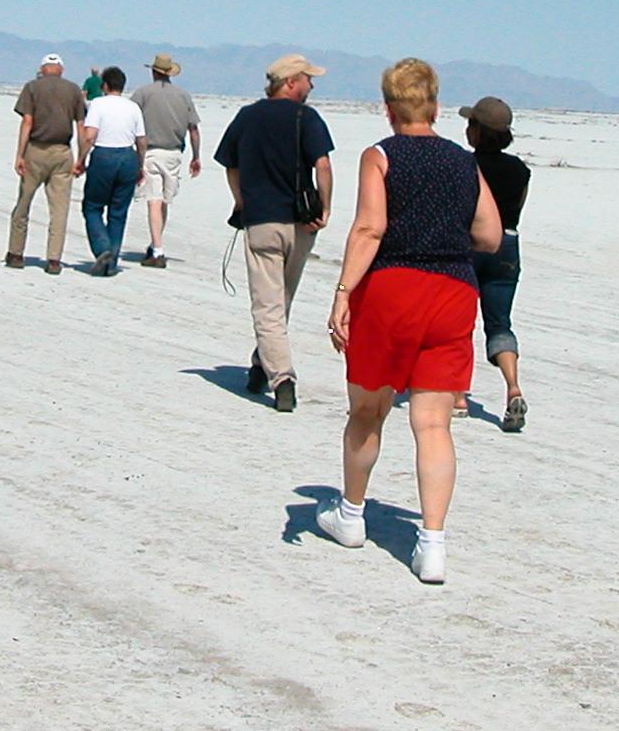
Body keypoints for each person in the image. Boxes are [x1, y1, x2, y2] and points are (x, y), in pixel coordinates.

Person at [315, 59, 502, 585]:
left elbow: (370, 228)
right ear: (435, 107)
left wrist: (342, 293)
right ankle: (432, 545)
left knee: (368, 411)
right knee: (434, 423)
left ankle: (351, 516)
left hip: (392, 289)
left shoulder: (380, 155)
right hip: (454, 292)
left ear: (388, 109)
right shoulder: (465, 163)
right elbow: (489, 234)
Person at [215, 54, 334, 413]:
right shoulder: (306, 118)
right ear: (291, 82)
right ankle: (279, 375)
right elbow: (323, 165)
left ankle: (269, 370)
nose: (312, 86)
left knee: (270, 304)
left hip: (262, 221)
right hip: (300, 223)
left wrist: (241, 202)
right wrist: (324, 207)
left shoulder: (247, 116)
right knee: (280, 301)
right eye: (308, 79)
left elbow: (230, 166)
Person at [461, 96, 532, 432]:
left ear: (478, 130)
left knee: (459, 322)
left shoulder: (464, 165)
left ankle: (458, 395)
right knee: (500, 324)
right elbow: (514, 212)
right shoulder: (520, 171)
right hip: (507, 246)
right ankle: (513, 386)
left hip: (470, 243)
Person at [5, 53, 88, 274]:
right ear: (61, 69)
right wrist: (81, 158)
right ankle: (54, 259)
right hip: (62, 152)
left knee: (23, 203)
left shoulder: (32, 87)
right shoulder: (73, 90)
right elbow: (81, 126)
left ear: (42, 68)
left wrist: (19, 155)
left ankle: (15, 253)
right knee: (59, 210)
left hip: (36, 150)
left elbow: (27, 122)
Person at [77, 65, 147, 275]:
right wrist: (140, 164)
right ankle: (111, 262)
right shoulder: (133, 107)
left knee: (92, 207)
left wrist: (80, 159)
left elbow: (90, 135)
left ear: (105, 85)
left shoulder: (98, 104)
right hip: (127, 157)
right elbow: (141, 140)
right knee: (118, 212)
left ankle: (102, 249)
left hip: (104, 156)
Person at [133, 53, 202, 268]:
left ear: (154, 71)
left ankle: (158, 251)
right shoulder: (183, 96)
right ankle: (156, 244)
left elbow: (130, 120)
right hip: (174, 154)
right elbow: (194, 129)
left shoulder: (142, 93)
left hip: (151, 152)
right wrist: (196, 156)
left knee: (153, 201)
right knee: (163, 200)